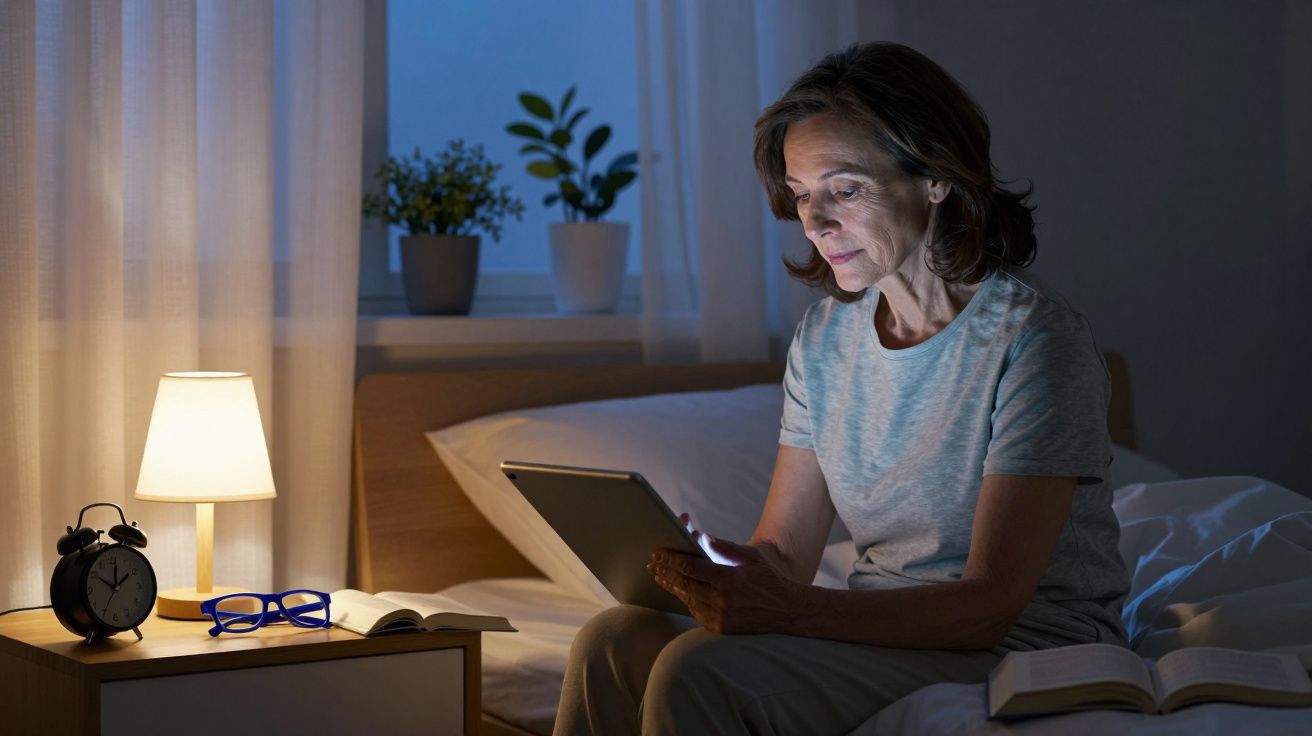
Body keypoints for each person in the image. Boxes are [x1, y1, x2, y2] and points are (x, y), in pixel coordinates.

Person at [553, 41, 1130, 736]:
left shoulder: (1036, 340)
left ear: (936, 178)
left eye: (845, 189)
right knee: (612, 640)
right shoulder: (825, 341)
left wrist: (789, 613)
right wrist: (724, 568)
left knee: (696, 671)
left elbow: (991, 603)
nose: (814, 223)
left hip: (1022, 643)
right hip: (878, 628)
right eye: (801, 194)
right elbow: (787, 556)